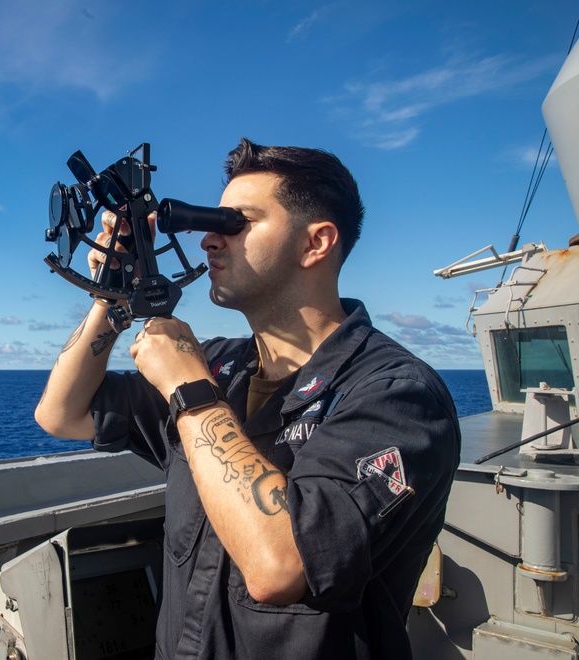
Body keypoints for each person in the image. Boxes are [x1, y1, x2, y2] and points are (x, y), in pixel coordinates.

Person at [34, 138, 460, 659]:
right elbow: (63, 412)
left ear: (315, 243)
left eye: (238, 223)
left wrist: (190, 393)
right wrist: (111, 296)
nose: (210, 240)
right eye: (212, 223)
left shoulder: (396, 395)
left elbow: (279, 566)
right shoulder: (218, 367)